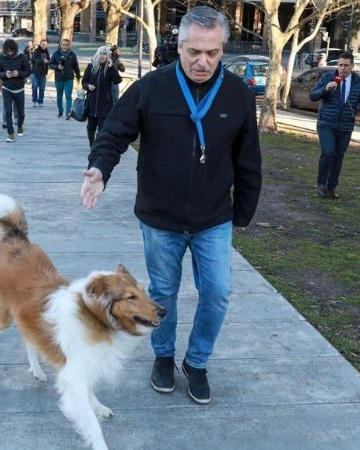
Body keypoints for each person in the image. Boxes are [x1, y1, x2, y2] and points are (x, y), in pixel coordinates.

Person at [80, 6, 261, 405]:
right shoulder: (152, 88)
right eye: (194, 51)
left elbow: (248, 157)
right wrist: (99, 169)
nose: (203, 61)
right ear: (178, 46)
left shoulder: (237, 94)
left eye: (212, 53)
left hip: (213, 217)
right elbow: (114, 132)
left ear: (222, 49)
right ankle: (163, 357)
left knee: (217, 292)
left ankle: (196, 363)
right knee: (163, 291)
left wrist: (243, 210)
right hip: (160, 218)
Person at [309, 52, 360, 199]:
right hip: (326, 123)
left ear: (352, 66)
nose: (342, 69)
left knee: (338, 157)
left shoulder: (359, 82)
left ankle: (331, 187)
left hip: (345, 125)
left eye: (346, 65)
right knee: (328, 152)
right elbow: (313, 96)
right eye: (340, 65)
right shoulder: (327, 78)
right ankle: (321, 184)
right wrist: (325, 89)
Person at [82, 46, 122, 146]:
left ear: (108, 56)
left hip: (105, 104)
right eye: (101, 53)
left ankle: (98, 146)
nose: (102, 56)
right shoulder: (91, 67)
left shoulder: (109, 68)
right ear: (97, 54)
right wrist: (88, 86)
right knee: (91, 127)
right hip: (92, 102)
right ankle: (92, 143)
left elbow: (117, 80)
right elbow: (84, 82)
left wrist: (111, 67)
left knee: (102, 128)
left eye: (105, 54)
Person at [0, 39, 31, 142]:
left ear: (15, 50)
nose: (10, 53)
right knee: (8, 112)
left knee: (21, 113)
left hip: (19, 88)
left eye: (12, 51)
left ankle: (20, 125)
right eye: (7, 51)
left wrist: (19, 73)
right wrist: (5, 75)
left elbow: (28, 71)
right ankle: (10, 133)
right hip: (6, 88)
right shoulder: (1, 57)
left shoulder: (22, 57)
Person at [50, 39, 81, 119]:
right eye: (63, 45)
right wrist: (57, 67)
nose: (65, 46)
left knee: (68, 95)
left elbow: (76, 66)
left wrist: (78, 76)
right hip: (59, 78)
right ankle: (60, 111)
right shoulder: (56, 54)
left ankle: (68, 113)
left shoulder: (72, 55)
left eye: (67, 45)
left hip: (69, 78)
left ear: (69, 45)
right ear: (60, 45)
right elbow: (50, 64)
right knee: (59, 96)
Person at [30, 39, 51, 107]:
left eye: (45, 45)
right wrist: (42, 61)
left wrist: (48, 62)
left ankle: (40, 101)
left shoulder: (47, 52)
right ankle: (34, 100)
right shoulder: (36, 51)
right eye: (42, 44)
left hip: (43, 73)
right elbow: (33, 60)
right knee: (35, 86)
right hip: (35, 72)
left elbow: (49, 60)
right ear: (40, 44)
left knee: (42, 88)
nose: (44, 46)